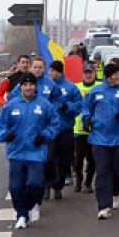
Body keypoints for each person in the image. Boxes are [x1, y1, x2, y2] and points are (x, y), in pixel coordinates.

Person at [80, 58, 119, 220]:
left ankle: (115, 193)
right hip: (99, 138)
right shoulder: (96, 91)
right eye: (116, 74)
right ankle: (103, 205)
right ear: (108, 76)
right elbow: (86, 106)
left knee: (117, 170)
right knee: (102, 170)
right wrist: (87, 119)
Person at [0, 71, 57, 229]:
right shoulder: (11, 105)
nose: (28, 88)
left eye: (31, 85)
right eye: (25, 85)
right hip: (16, 152)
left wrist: (45, 136)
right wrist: (4, 136)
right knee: (15, 187)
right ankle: (21, 215)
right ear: (20, 87)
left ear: (35, 86)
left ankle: (31, 204)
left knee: (34, 184)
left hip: (35, 152)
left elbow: (54, 124)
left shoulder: (44, 104)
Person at [47, 59, 79, 199]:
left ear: (60, 72)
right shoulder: (45, 87)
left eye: (53, 70)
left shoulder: (71, 87)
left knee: (63, 160)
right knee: (48, 158)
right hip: (49, 129)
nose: (50, 73)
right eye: (49, 70)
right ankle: (46, 186)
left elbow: (79, 106)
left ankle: (58, 186)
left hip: (65, 129)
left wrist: (66, 107)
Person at [72, 59, 99, 193]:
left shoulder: (99, 86)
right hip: (78, 129)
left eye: (90, 73)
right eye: (86, 73)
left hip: (95, 129)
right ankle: (79, 179)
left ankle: (88, 182)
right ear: (82, 74)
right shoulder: (75, 87)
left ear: (94, 73)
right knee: (78, 159)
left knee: (92, 159)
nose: (88, 75)